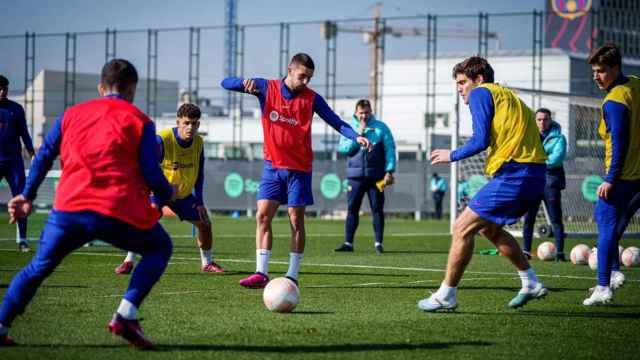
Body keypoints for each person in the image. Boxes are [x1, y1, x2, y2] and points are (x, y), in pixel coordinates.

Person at [0, 59, 176, 349]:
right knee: (160, 247)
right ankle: (125, 315)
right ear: (132, 88)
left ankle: (2, 324)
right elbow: (151, 170)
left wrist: (27, 195)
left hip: (69, 210)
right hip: (116, 211)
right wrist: (166, 192)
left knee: (36, 268)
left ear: (100, 87)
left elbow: (43, 156)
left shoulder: (71, 115)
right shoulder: (140, 120)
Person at [221, 53, 371, 288]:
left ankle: (292, 275)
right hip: (272, 166)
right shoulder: (265, 87)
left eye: (309, 78)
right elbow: (225, 83)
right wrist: (243, 83)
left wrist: (357, 136)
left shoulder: (312, 99)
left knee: (295, 220)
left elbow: (336, 121)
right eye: (302, 76)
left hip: (299, 169)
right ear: (290, 70)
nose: (306, 82)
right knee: (262, 216)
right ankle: (261, 273)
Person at [418, 56, 549, 312]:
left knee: (461, 228)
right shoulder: (508, 96)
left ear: (478, 79)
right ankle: (530, 282)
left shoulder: (481, 93)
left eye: (463, 82)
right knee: (489, 230)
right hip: (531, 174)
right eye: (457, 83)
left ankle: (446, 295)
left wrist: (451, 155)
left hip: (516, 173)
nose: (459, 88)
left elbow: (480, 140)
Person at [114, 103, 225, 274]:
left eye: (194, 123)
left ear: (199, 125)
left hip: (183, 195)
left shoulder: (199, 142)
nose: (190, 127)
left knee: (205, 224)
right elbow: (147, 165)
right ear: (178, 122)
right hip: (159, 191)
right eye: (186, 123)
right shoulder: (163, 139)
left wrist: (200, 202)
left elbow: (199, 174)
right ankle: (129, 261)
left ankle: (207, 263)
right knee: (145, 219)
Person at [583, 44, 640, 306]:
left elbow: (619, 141)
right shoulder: (636, 84)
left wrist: (610, 178)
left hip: (624, 177)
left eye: (601, 71)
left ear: (615, 68)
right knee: (614, 224)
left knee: (605, 226)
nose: (596, 76)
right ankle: (615, 272)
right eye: (594, 71)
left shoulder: (615, 100)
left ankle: (604, 285)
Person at [334, 99, 396, 254]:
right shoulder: (350, 129)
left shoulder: (381, 128)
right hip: (355, 177)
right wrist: (359, 134)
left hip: (377, 177)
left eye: (367, 112)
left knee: (377, 209)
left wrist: (390, 170)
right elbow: (344, 149)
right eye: (361, 113)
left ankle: (378, 243)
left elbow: (390, 150)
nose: (364, 116)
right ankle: (348, 243)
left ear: (371, 112)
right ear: (356, 113)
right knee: (352, 209)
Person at [522, 108, 568, 261]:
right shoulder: (528, 135)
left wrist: (535, 161)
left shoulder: (559, 138)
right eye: (539, 119)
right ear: (535, 121)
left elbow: (556, 160)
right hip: (533, 181)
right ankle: (526, 251)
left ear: (550, 120)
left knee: (555, 219)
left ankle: (560, 253)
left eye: (545, 119)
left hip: (551, 182)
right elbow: (523, 155)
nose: (542, 122)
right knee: (529, 218)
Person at [0, 75, 35, 252]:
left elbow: (25, 134)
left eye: (4, 88)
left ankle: (22, 240)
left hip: (13, 162)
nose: (2, 91)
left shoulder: (16, 109)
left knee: (21, 199)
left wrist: (33, 154)